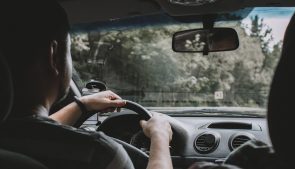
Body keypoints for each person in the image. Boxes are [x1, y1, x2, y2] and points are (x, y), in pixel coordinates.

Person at [0, 1, 172, 169]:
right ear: (53, 56)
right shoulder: (96, 153)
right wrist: (160, 137)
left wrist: (82, 105)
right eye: (69, 52)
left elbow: (30, 133)